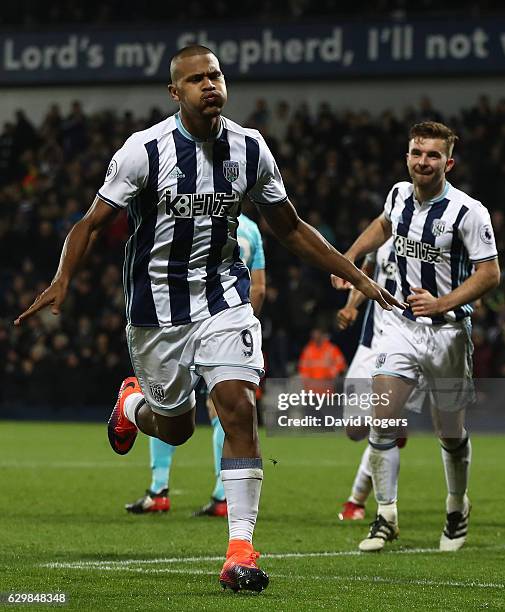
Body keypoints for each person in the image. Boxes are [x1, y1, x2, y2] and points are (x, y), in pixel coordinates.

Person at [15, 45, 403, 592]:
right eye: (196, 79)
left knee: (240, 409)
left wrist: (356, 273)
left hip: (224, 298)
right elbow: (91, 222)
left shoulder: (250, 148)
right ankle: (132, 405)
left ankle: (240, 550)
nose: (209, 85)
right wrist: (62, 278)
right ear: (176, 93)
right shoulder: (143, 150)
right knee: (173, 426)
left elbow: (288, 227)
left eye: (215, 75)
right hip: (157, 310)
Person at [333, 121, 499, 552]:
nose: (423, 162)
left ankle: (457, 506)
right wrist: (349, 256)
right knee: (383, 420)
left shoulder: (469, 212)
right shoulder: (398, 194)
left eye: (432, 155)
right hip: (399, 328)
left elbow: (490, 274)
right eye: (416, 153)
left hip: (447, 335)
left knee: (449, 433)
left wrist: (442, 302)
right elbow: (384, 226)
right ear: (407, 156)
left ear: (449, 162)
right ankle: (385, 516)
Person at [125, 213, 266, 517]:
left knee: (167, 406)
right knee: (225, 413)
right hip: (225, 328)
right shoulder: (252, 231)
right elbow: (260, 289)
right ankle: (221, 495)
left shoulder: (190, 213)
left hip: (177, 324)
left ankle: (159, 489)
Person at [334, 239, 423, 521]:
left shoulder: (432, 237)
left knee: (382, 422)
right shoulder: (383, 232)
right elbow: (367, 273)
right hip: (372, 342)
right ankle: (392, 425)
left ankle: (356, 500)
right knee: (353, 429)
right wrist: (352, 306)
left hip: (408, 344)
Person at [298, 327, 346, 394]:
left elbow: (341, 364)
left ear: (322, 335)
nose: (316, 339)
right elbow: (303, 368)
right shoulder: (308, 350)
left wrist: (331, 374)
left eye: (318, 336)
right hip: (312, 390)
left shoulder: (331, 349)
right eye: (314, 337)